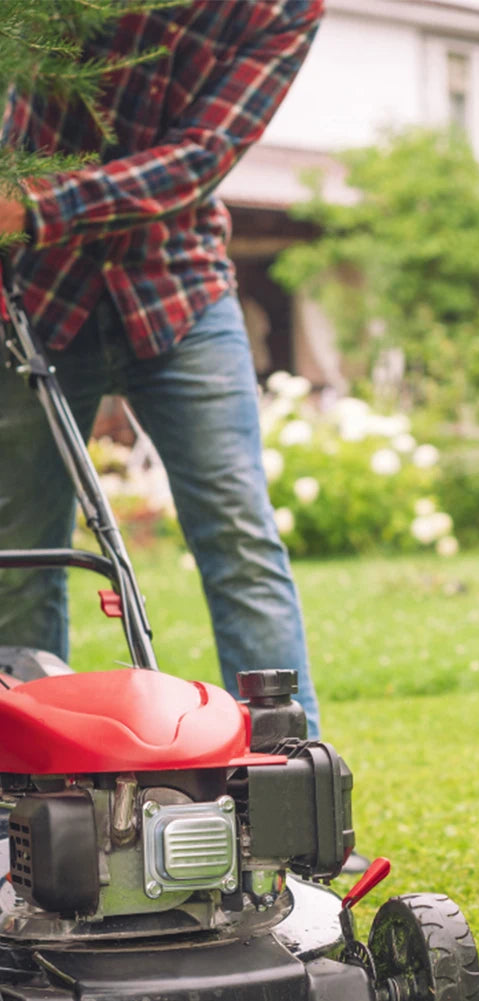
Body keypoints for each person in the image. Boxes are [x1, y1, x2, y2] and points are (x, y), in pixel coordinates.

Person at [0, 1, 325, 737]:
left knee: (241, 541)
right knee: (21, 557)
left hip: (177, 288)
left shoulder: (280, 9)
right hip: (37, 290)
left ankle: (287, 794)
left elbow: (200, 158)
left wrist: (34, 203)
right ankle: (28, 806)